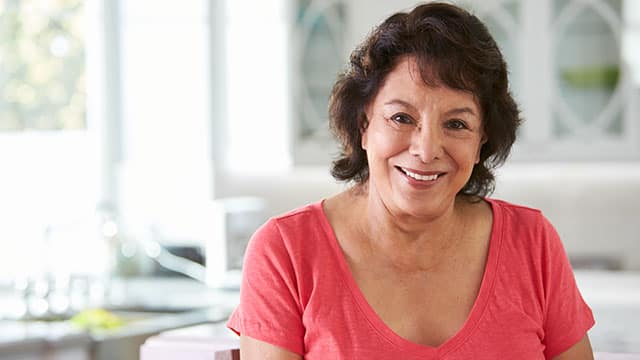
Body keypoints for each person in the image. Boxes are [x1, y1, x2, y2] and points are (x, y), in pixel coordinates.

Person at [227, 2, 595, 359]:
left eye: (456, 124)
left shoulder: (533, 243)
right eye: (402, 118)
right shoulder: (285, 252)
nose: (426, 149)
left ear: (482, 141)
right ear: (363, 125)